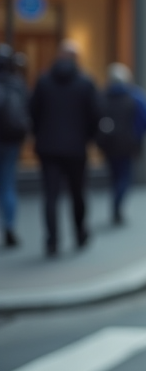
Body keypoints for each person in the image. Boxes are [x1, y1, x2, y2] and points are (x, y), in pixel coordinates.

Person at [29, 40, 100, 257]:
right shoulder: (85, 83)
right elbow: (95, 115)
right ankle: (79, 233)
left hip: (48, 147)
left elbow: (33, 112)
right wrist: (87, 137)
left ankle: (52, 240)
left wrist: (40, 135)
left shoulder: (43, 82)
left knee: (50, 196)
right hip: (76, 148)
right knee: (77, 194)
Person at [97, 63, 146, 226]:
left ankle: (116, 203)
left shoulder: (103, 96)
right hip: (128, 144)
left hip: (109, 144)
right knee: (124, 176)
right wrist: (138, 132)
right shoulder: (135, 96)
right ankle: (117, 205)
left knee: (115, 176)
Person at [0, 44, 29, 248]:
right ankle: (9, 226)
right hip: (11, 141)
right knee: (8, 183)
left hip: (9, 140)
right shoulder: (17, 84)